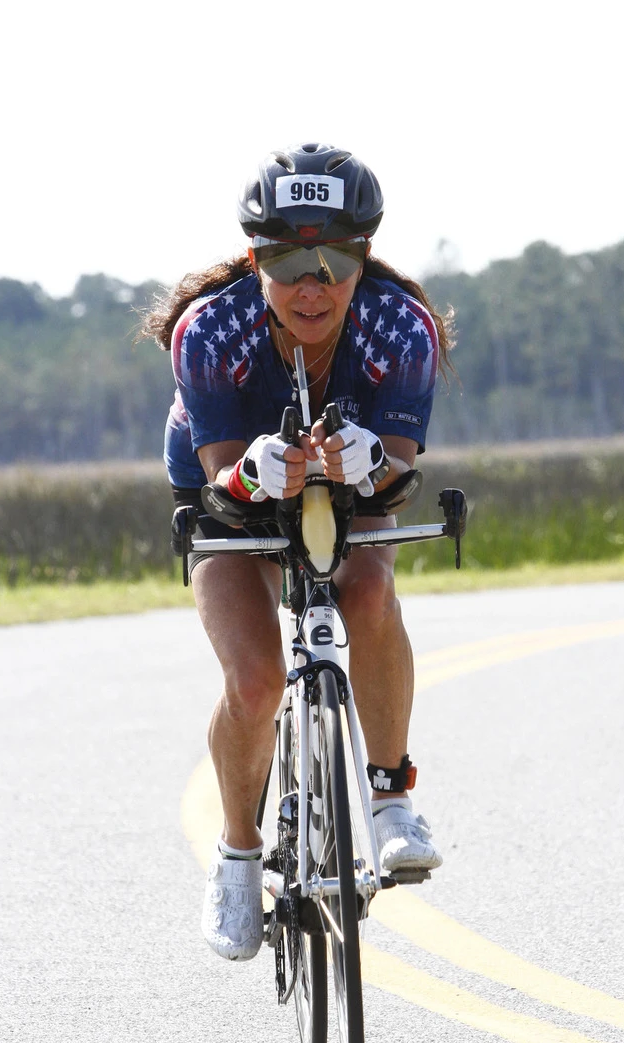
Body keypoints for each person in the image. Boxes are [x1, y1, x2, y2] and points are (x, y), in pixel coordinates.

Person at [140, 142, 454, 962]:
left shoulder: (401, 328)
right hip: (228, 488)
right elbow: (220, 488)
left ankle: (390, 799)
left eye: (333, 262)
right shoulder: (209, 331)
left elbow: (397, 481)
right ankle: (238, 856)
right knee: (254, 681)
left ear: (363, 257)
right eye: (286, 263)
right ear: (255, 260)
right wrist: (252, 472)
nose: (311, 286)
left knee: (368, 593)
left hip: (351, 485)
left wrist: (372, 463)